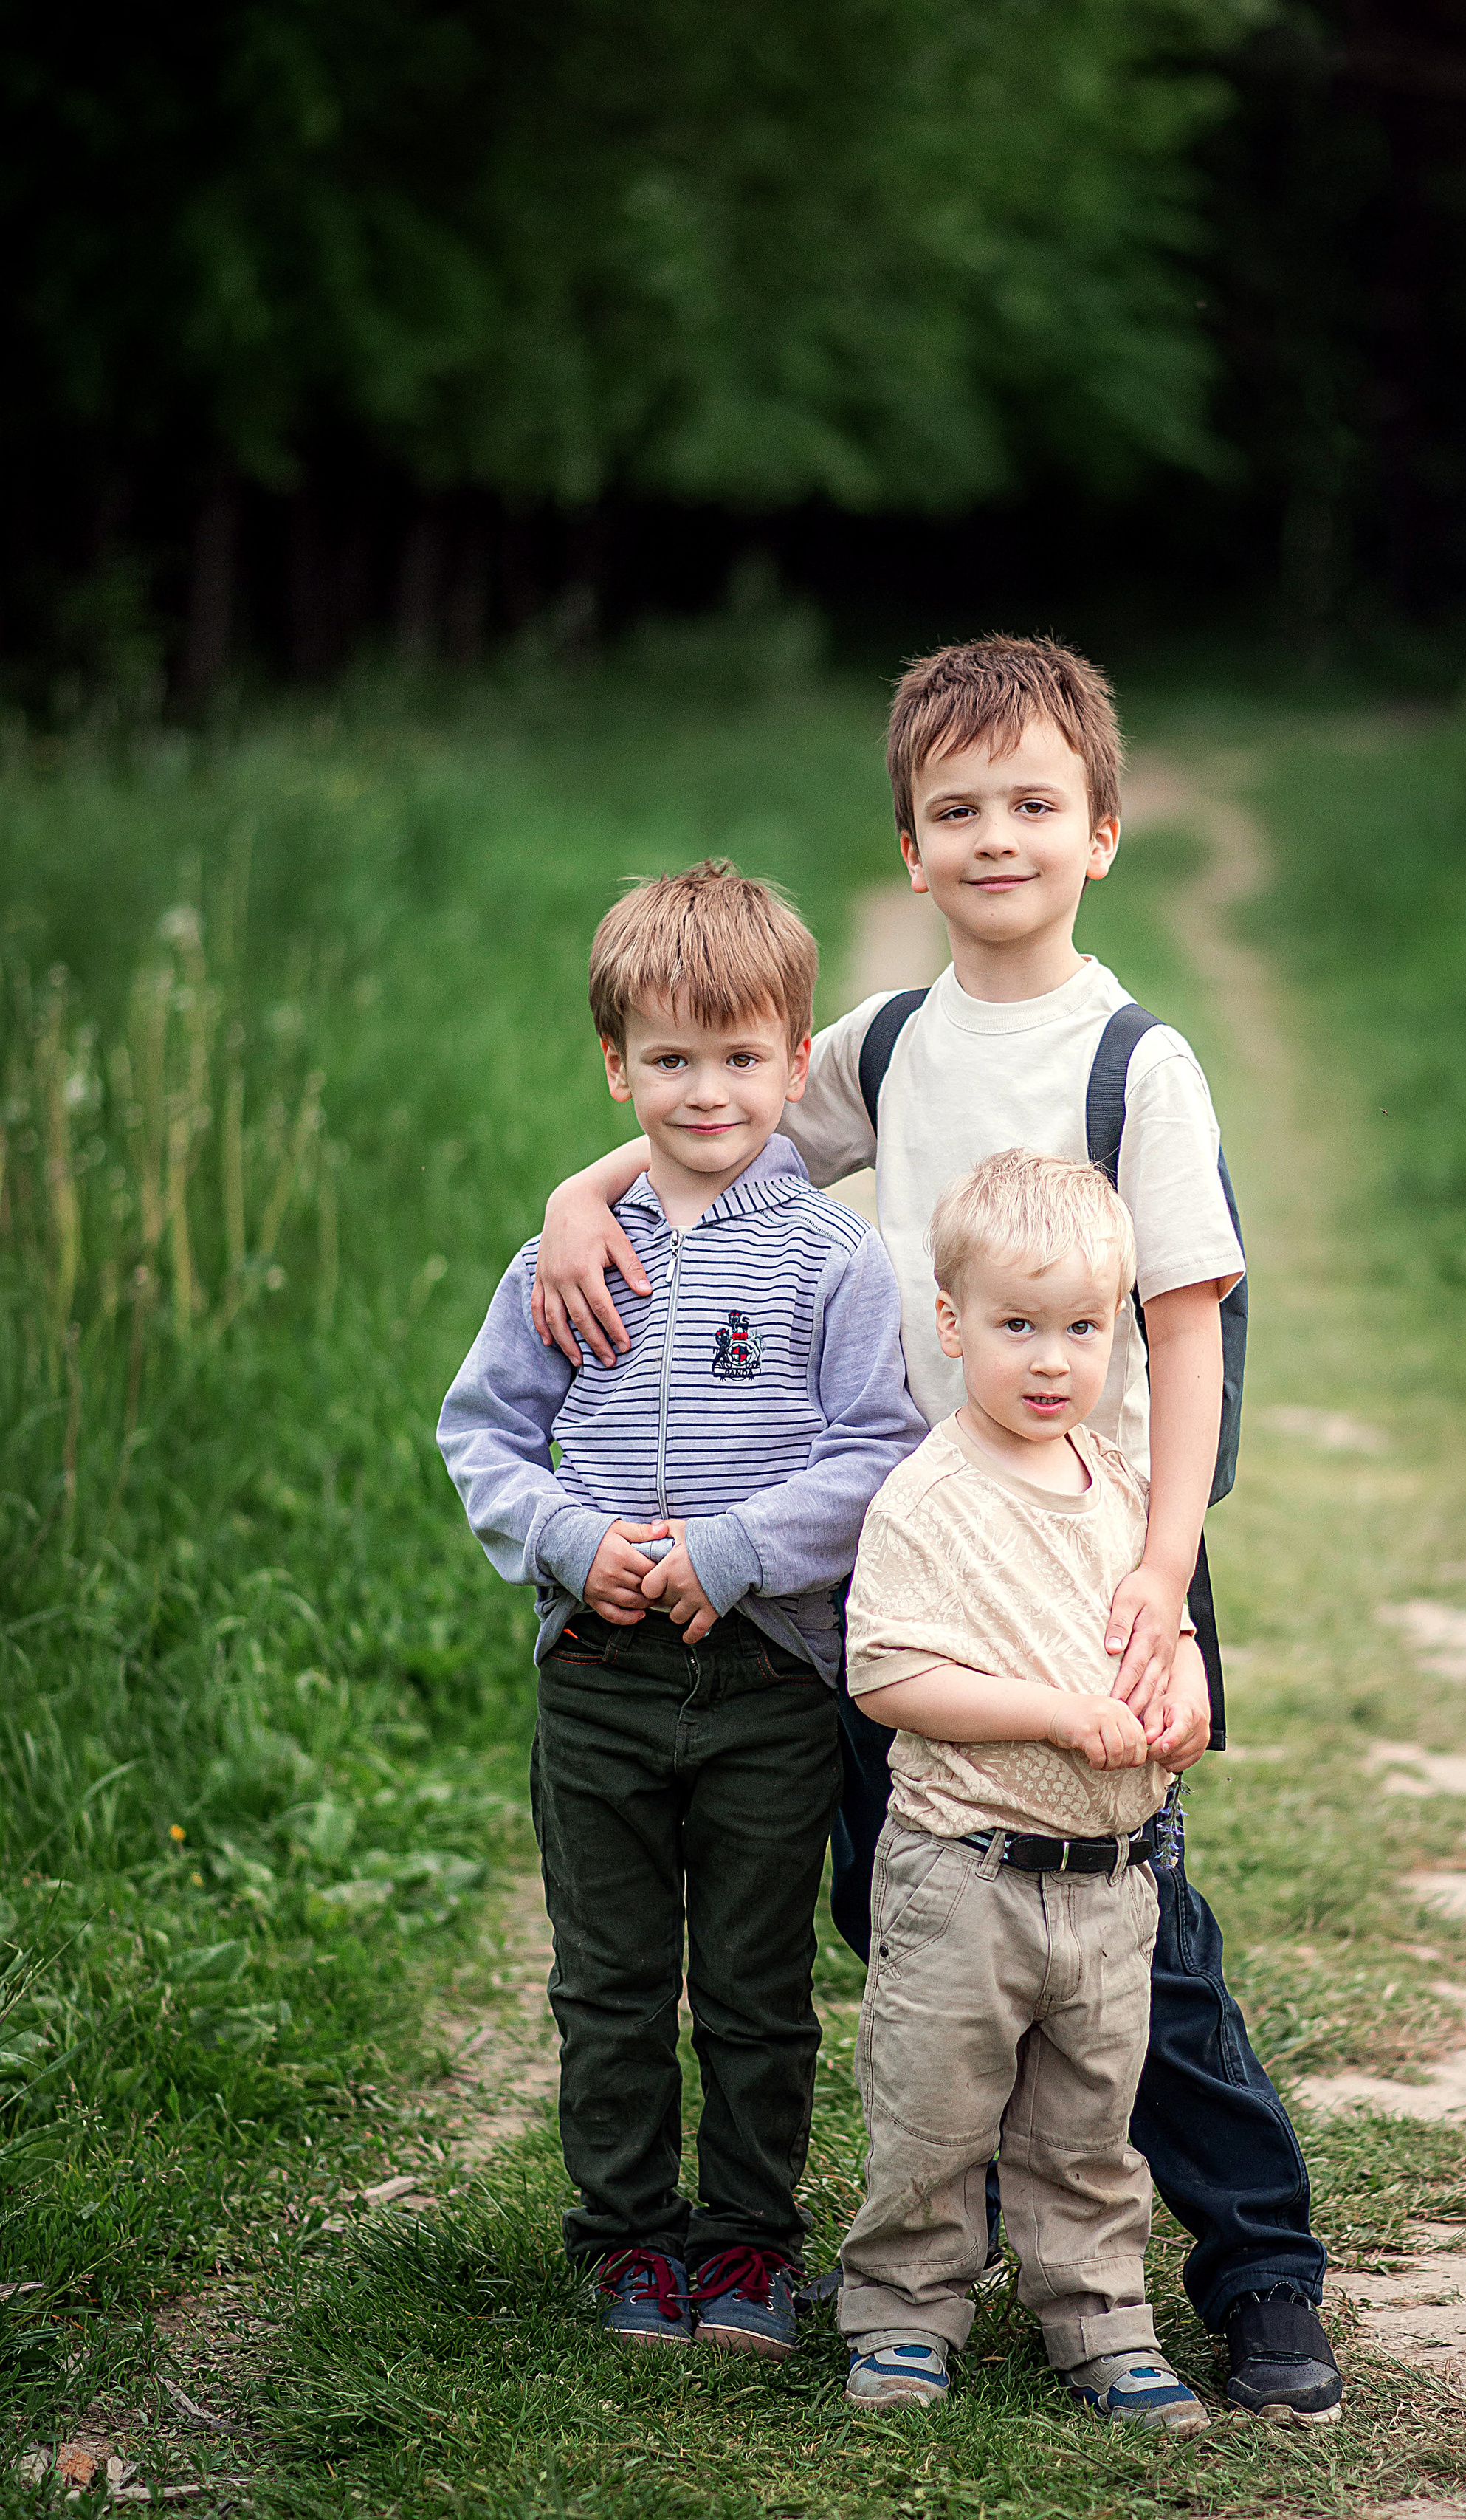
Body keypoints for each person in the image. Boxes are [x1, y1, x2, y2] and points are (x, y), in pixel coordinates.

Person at [530, 637, 1341, 2424]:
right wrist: (571, 1200)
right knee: (905, 1897)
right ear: (907, 847)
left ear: (1101, 831)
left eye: (1033, 805)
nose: (995, 836)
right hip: (894, 1554)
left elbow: (1189, 1323)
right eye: (955, 809)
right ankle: (947, 2242)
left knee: (1132, 1921)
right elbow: (713, 1123)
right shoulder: (884, 1044)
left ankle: (1258, 2274)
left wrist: (1155, 1566)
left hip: (1084, 1552)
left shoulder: (1138, 1060)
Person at [437, 862, 925, 2360]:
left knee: (757, 1987)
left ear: (794, 1062)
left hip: (770, 1677)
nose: (702, 1091)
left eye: (736, 1059)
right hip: (595, 1673)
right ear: (614, 1066)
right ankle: (629, 2244)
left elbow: (878, 1451)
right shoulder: (563, 1259)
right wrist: (569, 1541)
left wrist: (725, 1555)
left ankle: (746, 2251)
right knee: (610, 1976)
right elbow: (481, 1438)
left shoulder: (832, 1259)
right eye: (666, 1059)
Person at [839, 1150, 1209, 2431]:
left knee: (1088, 2127)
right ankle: (902, 2314)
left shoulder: (1115, 1483)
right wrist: (1057, 1713)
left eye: (1082, 1328)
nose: (1052, 1360)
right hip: (966, 1872)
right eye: (1016, 1325)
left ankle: (1101, 2324)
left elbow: (1160, 1624)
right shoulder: (929, 1496)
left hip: (1109, 1882)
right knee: (933, 2109)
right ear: (951, 1324)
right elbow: (887, 1672)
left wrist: (1186, 1688)